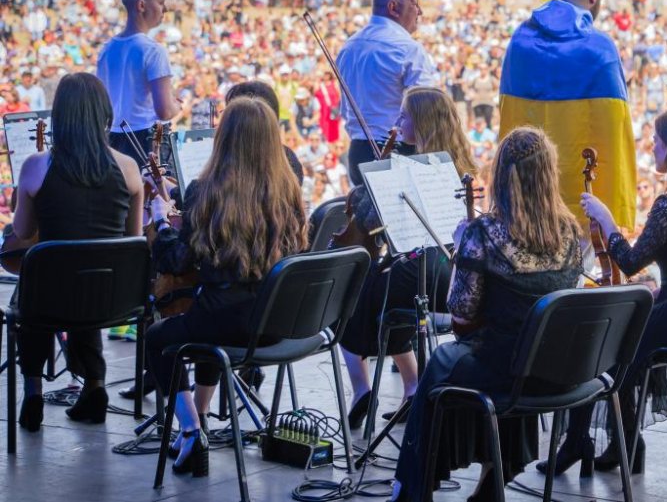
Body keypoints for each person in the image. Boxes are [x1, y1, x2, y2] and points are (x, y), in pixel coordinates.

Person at [390, 127, 585, 502]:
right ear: (549, 175)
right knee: (513, 353)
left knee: (442, 363)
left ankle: (413, 488)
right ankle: (496, 476)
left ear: (501, 176)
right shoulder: (569, 232)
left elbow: (461, 312)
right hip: (558, 372)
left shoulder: (485, 233)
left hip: (509, 372)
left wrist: (463, 244)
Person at [543, 108, 667, 475]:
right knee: (626, 352)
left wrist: (606, 219)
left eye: (657, 141)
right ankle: (625, 446)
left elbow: (628, 261)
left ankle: (581, 442)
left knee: (598, 342)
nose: (652, 147)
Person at [145, 98, 308, 478]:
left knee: (159, 337)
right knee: (207, 318)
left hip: (225, 323)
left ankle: (189, 430)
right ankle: (199, 415)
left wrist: (161, 221)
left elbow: (176, 261)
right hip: (280, 323)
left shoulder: (207, 190)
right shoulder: (289, 190)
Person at [12, 74, 144, 432]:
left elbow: (22, 232)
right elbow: (132, 240)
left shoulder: (36, 167)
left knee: (35, 287)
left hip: (49, 301)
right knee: (87, 275)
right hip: (112, 301)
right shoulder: (129, 168)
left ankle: (34, 389)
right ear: (104, 113)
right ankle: (95, 386)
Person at [339, 87, 474, 427]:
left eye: (403, 116)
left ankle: (361, 388)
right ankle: (412, 387)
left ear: (422, 123)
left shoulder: (404, 170)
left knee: (350, 290)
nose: (396, 123)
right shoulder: (459, 165)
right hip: (452, 272)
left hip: (420, 273)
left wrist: (375, 179)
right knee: (386, 288)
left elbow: (370, 220)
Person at [499, 0, 635, 233]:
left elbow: (507, 120)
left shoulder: (520, 41)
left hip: (526, 195)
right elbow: (615, 135)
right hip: (583, 204)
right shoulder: (601, 49)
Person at [336, 0, 439, 185]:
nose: (419, 12)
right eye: (414, 4)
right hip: (398, 154)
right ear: (393, 7)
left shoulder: (348, 47)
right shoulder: (408, 48)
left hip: (357, 153)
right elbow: (424, 111)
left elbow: (346, 109)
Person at [95, 0, 178, 164]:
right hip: (147, 141)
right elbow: (164, 111)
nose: (165, 9)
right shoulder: (153, 50)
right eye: (160, 2)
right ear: (142, 5)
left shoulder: (106, 49)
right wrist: (178, 105)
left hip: (113, 138)